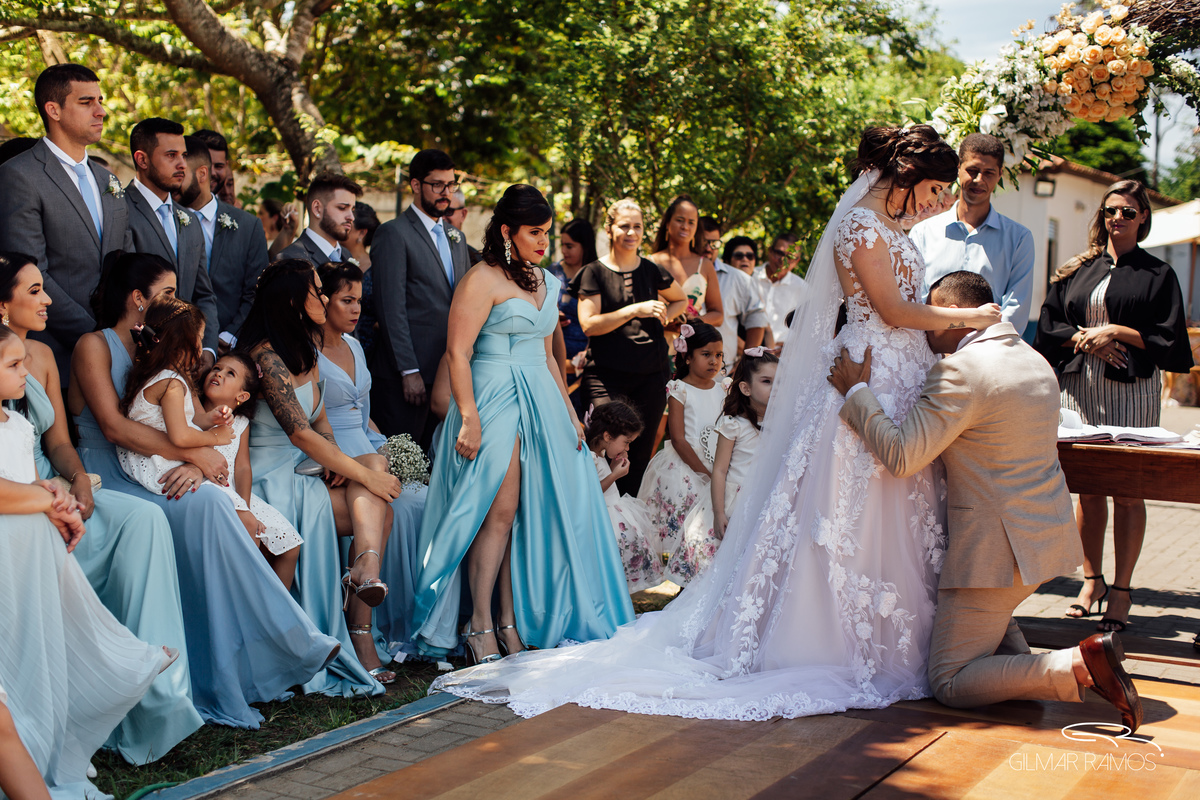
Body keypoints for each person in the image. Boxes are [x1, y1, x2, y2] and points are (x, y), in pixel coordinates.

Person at [430, 125, 1001, 721]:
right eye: (935, 188)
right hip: (862, 375)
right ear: (906, 180)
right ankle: (834, 641)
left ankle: (910, 639)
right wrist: (970, 315)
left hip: (898, 379)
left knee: (899, 515)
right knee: (845, 512)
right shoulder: (859, 223)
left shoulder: (901, 229)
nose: (940, 200)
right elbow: (889, 308)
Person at [831, 269, 1141, 732]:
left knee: (950, 680)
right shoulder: (1034, 360)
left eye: (932, 312)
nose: (923, 322)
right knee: (988, 637)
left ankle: (1078, 663)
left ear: (956, 316)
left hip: (995, 554)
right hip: (1039, 536)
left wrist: (857, 392)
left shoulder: (962, 370)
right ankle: (1070, 665)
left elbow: (901, 455)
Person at [68, 251, 340, 729]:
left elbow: (195, 425)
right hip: (108, 472)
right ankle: (274, 639)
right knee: (214, 507)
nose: (178, 301)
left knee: (215, 502)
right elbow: (113, 427)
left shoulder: (164, 353)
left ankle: (249, 659)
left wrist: (195, 463)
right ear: (138, 299)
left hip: (157, 468)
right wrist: (192, 457)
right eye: (168, 293)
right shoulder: (95, 345)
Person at [410, 184, 635, 664]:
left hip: (542, 399)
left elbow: (550, 356)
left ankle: (514, 620)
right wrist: (468, 417)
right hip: (492, 398)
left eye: (548, 234)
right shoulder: (480, 279)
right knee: (501, 510)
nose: (544, 243)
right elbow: (458, 353)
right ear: (507, 230)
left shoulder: (545, 280)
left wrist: (572, 414)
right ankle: (479, 624)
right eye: (535, 233)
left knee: (535, 514)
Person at [0, 252, 202, 763]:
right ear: (3, 307)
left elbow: (60, 441)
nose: (48, 300)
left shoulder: (43, 357)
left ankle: (160, 701)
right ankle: (109, 691)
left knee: (143, 519)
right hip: (24, 500)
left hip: (59, 483)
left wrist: (77, 484)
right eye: (34, 291)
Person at [1034, 179, 1193, 633]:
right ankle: (1092, 581)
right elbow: (1050, 325)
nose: (1117, 219)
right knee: (1088, 488)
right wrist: (1087, 339)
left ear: (1143, 217)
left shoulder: (1159, 275)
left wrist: (1117, 332)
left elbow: (1171, 341)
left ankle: (1122, 591)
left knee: (1127, 490)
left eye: (1127, 212)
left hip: (1131, 392)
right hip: (1080, 387)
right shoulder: (1077, 269)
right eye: (1110, 211)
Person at [240, 259, 402, 690]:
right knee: (377, 498)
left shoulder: (305, 351)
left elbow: (323, 426)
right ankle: (361, 613)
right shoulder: (266, 355)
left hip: (305, 467)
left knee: (373, 465)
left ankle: (364, 571)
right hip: (270, 476)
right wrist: (350, 471)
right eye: (318, 291)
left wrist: (338, 464)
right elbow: (299, 434)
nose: (326, 298)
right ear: (295, 301)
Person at [116, 298, 303, 588]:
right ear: (185, 343)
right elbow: (181, 435)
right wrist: (213, 436)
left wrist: (210, 422)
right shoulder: (175, 384)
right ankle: (245, 600)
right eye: (200, 340)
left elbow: (237, 465)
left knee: (283, 540)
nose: (213, 366)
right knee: (248, 527)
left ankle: (270, 605)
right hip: (162, 464)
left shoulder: (177, 384)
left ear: (242, 396)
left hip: (202, 475)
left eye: (230, 374)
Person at [316, 260, 427, 656]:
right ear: (322, 300)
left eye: (360, 301)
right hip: (324, 452)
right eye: (347, 300)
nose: (356, 309)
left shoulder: (356, 346)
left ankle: (381, 608)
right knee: (388, 509)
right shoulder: (306, 353)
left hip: (364, 445)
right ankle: (361, 629)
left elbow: (362, 413)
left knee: (410, 497)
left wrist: (383, 446)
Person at [0, 64, 136, 379]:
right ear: (54, 110)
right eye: (87, 102)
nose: (101, 111)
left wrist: (128, 333)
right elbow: (31, 274)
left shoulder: (108, 179)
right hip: (56, 359)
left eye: (100, 101)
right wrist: (97, 337)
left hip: (123, 353)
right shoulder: (19, 175)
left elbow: (127, 263)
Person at [574, 198, 688, 494]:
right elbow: (589, 324)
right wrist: (635, 309)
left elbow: (680, 299)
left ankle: (627, 528)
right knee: (602, 449)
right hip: (605, 378)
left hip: (651, 376)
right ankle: (594, 516)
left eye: (637, 227)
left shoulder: (652, 270)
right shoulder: (593, 272)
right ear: (610, 229)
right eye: (624, 226)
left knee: (637, 457)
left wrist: (665, 317)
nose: (631, 233)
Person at [370, 149, 471, 448]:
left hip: (450, 372)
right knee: (406, 463)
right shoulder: (393, 233)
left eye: (450, 185)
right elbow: (391, 308)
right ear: (415, 185)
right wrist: (408, 370)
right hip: (408, 377)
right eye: (437, 185)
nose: (446, 193)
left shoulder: (457, 237)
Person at [910, 133, 1035, 333]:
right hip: (927, 352)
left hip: (986, 354)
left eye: (989, 173)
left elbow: (1015, 310)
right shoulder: (923, 232)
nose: (979, 180)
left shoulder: (1019, 239)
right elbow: (913, 297)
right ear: (958, 169)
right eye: (972, 170)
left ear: (1000, 174)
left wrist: (977, 350)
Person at [676, 347, 777, 580]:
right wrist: (719, 512)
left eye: (780, 382)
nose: (776, 388)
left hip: (767, 498)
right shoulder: (734, 425)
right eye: (767, 381)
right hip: (735, 502)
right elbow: (720, 470)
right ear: (745, 388)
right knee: (726, 565)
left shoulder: (782, 424)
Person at [124, 118, 220, 360]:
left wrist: (207, 349)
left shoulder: (189, 219)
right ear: (142, 159)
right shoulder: (120, 210)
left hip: (190, 357)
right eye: (171, 155)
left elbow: (203, 295)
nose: (182, 165)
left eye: (184, 155)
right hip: (139, 354)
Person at [638, 321, 725, 585]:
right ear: (688, 357)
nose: (714, 361)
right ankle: (685, 581)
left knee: (711, 525)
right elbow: (677, 438)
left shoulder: (724, 388)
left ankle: (709, 578)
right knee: (687, 525)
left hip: (718, 464)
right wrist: (704, 473)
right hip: (687, 469)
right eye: (706, 354)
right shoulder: (679, 389)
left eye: (719, 355)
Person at [177, 136, 268, 348]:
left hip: (232, 345)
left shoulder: (248, 225)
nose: (215, 173)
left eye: (219, 166)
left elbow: (257, 292)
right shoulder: (167, 219)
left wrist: (228, 337)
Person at [586, 400, 664, 593]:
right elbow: (590, 492)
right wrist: (614, 476)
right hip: (602, 519)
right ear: (607, 435)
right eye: (626, 442)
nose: (628, 448)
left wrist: (612, 470)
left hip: (613, 512)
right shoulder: (589, 457)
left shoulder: (600, 454)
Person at [649, 196, 723, 327]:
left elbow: (718, 315)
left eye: (691, 222)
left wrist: (694, 321)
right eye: (680, 220)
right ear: (667, 223)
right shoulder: (649, 263)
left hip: (692, 344)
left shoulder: (705, 265)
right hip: (655, 342)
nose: (685, 227)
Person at [705, 221, 767, 362]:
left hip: (723, 370)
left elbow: (757, 319)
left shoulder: (741, 279)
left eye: (714, 243)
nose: (708, 247)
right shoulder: (677, 269)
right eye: (739, 256)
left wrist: (745, 363)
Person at [278, 171, 363, 267]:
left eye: (352, 209)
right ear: (317, 209)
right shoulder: (291, 260)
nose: (351, 217)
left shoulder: (346, 254)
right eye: (342, 208)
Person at [548, 219, 596, 361]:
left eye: (569, 246)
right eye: (562, 245)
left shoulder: (598, 274)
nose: (563, 251)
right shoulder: (553, 272)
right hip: (553, 352)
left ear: (585, 246)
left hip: (588, 355)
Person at [754, 232, 809, 346]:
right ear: (770, 251)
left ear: (797, 261)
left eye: (790, 257)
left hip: (784, 354)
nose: (782, 260)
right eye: (779, 253)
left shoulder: (803, 288)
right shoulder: (751, 277)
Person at [346, 202, 383, 356]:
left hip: (370, 349)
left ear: (361, 233)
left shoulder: (377, 268)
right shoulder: (333, 262)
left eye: (349, 223)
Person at [191, 129, 231, 199]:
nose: (212, 173)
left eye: (219, 166)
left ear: (226, 166)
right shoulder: (169, 208)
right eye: (205, 165)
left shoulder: (231, 209)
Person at [445, 190, 482, 264]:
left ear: (463, 214)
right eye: (438, 212)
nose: (441, 217)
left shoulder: (475, 259)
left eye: (448, 211)